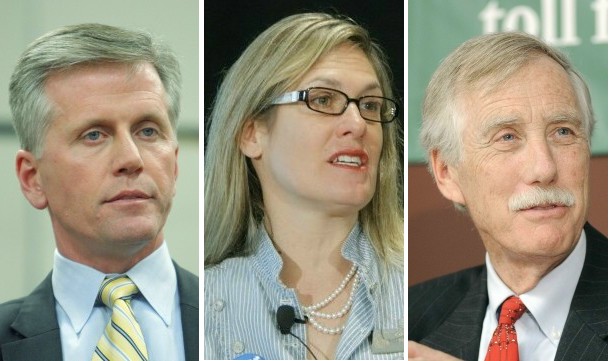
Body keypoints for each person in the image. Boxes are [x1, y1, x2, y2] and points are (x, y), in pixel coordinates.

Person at [204, 13, 404, 360]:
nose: (357, 124)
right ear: (251, 134)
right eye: (324, 100)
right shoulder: (206, 301)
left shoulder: (415, 289)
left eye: (370, 105)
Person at [0, 24, 198, 360]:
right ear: (33, 179)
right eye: (94, 135)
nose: (131, 159)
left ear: (175, 164)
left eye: (148, 131)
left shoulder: (227, 308)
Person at [408, 32, 607, 360]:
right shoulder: (411, 320)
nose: (543, 168)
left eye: (563, 131)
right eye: (507, 137)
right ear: (447, 172)